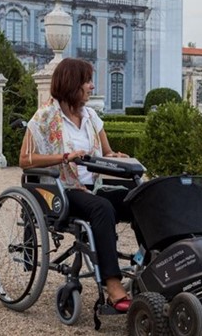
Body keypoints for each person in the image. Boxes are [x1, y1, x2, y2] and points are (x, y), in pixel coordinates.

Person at [19, 58, 132, 312]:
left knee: (138, 197)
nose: (92, 87)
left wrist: (115, 157)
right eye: (87, 81)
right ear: (73, 84)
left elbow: (106, 152)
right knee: (102, 208)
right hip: (63, 191)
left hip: (93, 188)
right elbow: (24, 160)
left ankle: (154, 267)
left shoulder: (91, 116)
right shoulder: (45, 116)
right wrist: (64, 157)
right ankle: (113, 285)